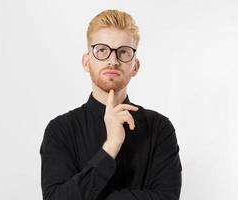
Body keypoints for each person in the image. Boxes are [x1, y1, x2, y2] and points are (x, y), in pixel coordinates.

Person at [40, 9, 182, 200]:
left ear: (135, 66)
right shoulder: (60, 130)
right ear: (86, 62)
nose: (112, 61)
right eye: (101, 51)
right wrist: (111, 145)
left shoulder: (159, 128)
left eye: (123, 52)